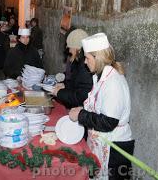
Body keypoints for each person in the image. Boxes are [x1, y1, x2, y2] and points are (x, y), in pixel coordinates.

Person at [69, 33, 134, 180]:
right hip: (101, 142)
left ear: (98, 58)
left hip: (114, 147)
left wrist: (80, 115)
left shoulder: (113, 83)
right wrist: (82, 110)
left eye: (87, 58)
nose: (85, 62)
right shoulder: (101, 77)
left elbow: (108, 122)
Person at [50, 29, 93, 109]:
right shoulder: (77, 61)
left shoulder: (85, 66)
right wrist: (64, 85)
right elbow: (75, 83)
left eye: (70, 47)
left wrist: (59, 93)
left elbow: (82, 95)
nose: (68, 49)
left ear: (76, 48)